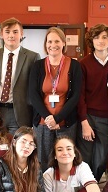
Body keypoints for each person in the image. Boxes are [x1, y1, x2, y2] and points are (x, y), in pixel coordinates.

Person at [29, 27, 82, 172]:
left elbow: (76, 95)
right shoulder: (38, 66)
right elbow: (33, 95)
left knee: (65, 160)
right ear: (45, 44)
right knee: (43, 161)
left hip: (65, 122)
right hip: (42, 122)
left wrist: (58, 118)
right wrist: (48, 118)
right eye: (50, 41)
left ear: (64, 43)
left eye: (57, 41)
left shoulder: (75, 65)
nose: (53, 45)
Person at [77, 23, 108, 181]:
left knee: (101, 160)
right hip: (87, 117)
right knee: (85, 159)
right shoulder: (83, 64)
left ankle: (94, 188)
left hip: (107, 119)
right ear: (91, 41)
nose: (101, 41)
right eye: (97, 37)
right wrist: (84, 122)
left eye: (104, 37)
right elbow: (80, 96)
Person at [0, 17, 40, 134]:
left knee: (17, 149)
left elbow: (35, 89)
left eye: (15, 32)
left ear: (21, 34)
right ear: (1, 34)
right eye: (7, 32)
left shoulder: (32, 57)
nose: (11, 35)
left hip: (20, 113)